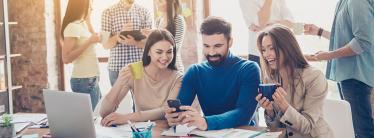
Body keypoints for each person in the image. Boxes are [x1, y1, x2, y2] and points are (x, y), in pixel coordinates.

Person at [164, 16, 260, 130]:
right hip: (209, 134)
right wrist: (174, 117)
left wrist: (206, 122)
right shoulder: (195, 72)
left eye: (218, 46)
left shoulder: (249, 69)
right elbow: (181, 108)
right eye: (206, 46)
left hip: (243, 133)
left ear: (230, 42)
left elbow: (243, 114)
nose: (211, 52)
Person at [304, 0, 374, 137]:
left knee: (362, 131)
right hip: (350, 77)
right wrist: (319, 31)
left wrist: (329, 55)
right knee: (356, 129)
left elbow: (363, 41)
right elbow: (345, 37)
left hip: (357, 78)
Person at [256, 25, 333, 137]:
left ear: (287, 47)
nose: (266, 54)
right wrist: (270, 111)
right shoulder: (270, 79)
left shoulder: (314, 77)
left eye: (271, 48)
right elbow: (274, 130)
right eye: (263, 50)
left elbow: (307, 126)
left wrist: (284, 105)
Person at [100, 29, 182, 126]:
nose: (165, 57)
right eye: (159, 52)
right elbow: (104, 112)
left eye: (169, 52)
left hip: (165, 130)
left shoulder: (177, 78)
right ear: (148, 52)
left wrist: (127, 117)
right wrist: (119, 82)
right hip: (141, 131)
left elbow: (165, 110)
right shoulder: (135, 70)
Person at [61, 0, 101, 110]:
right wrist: (88, 42)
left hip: (91, 78)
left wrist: (88, 21)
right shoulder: (72, 26)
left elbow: (96, 38)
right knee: (92, 119)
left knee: (96, 116)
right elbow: (66, 58)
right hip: (84, 80)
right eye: (90, 6)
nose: (92, 9)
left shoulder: (82, 24)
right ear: (82, 7)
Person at [101, 0, 153, 85]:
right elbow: (105, 45)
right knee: (119, 98)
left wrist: (136, 42)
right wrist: (120, 35)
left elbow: (150, 43)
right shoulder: (108, 13)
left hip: (139, 67)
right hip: (117, 68)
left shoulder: (145, 12)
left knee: (140, 98)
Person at [239, 0, 294, 65]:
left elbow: (291, 23)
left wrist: (268, 26)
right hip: (259, 53)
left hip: (282, 50)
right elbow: (261, 22)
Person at [155, 0, 186, 73]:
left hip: (174, 69)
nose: (157, 2)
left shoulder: (178, 20)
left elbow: (175, 48)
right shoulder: (158, 21)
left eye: (160, 1)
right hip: (160, 70)